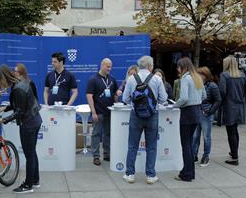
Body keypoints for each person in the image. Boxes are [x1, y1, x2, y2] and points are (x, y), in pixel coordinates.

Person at [0, 65, 42, 193]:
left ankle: (28, 185)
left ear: (4, 77)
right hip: (34, 120)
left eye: (0, 81)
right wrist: (5, 108)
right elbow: (21, 104)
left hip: (29, 123)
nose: (0, 84)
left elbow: (20, 111)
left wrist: (3, 120)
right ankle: (35, 180)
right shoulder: (21, 83)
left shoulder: (18, 88)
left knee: (29, 154)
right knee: (32, 152)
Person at [122, 56, 167, 184]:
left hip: (135, 115)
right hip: (152, 115)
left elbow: (125, 99)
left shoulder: (131, 79)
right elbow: (164, 99)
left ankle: (130, 174)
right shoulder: (157, 79)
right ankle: (150, 175)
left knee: (132, 146)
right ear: (150, 66)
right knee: (151, 146)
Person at [173, 57, 206, 182]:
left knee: (185, 145)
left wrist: (174, 105)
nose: (177, 69)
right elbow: (204, 95)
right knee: (190, 145)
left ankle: (186, 174)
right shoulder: (197, 77)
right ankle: (189, 172)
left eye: (178, 67)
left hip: (187, 114)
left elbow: (184, 98)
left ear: (183, 67)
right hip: (197, 112)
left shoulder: (185, 79)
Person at [219, 55, 246, 166]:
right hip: (239, 106)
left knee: (231, 131)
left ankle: (235, 156)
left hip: (229, 106)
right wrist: (241, 97)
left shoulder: (224, 75)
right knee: (235, 130)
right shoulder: (242, 75)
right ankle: (234, 152)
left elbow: (222, 91)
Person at [86, 58, 119, 166]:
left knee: (108, 134)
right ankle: (96, 156)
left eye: (110, 66)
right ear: (102, 65)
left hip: (109, 112)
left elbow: (114, 95)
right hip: (98, 112)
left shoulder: (112, 79)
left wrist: (117, 98)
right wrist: (93, 112)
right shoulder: (93, 79)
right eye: (107, 66)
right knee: (96, 134)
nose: (109, 68)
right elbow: (89, 96)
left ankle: (107, 154)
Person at [192, 66, 221, 167]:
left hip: (206, 114)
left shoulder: (213, 86)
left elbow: (218, 100)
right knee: (195, 136)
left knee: (206, 136)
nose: (198, 76)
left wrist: (210, 111)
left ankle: (206, 156)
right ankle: (194, 155)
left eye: (200, 74)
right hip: (197, 112)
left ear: (206, 75)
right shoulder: (197, 84)